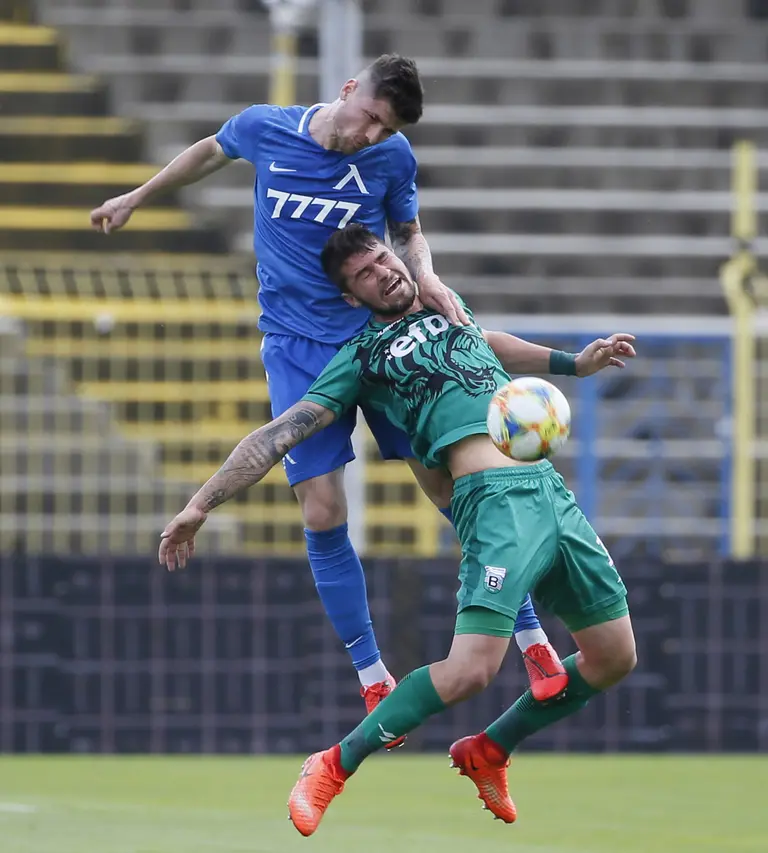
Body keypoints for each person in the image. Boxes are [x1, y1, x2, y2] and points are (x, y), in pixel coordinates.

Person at [92, 54, 565, 724]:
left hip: (382, 337)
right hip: (300, 348)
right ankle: (372, 676)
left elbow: (408, 232)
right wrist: (136, 196)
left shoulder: (391, 157)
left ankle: (531, 637)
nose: (372, 135)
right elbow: (208, 151)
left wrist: (426, 275)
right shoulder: (267, 128)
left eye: (386, 128)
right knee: (321, 511)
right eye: (370, 117)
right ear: (348, 89)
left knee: (451, 487)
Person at [158, 223, 638, 835]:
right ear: (351, 297)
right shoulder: (364, 356)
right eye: (363, 274)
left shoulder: (445, 303)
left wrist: (572, 362)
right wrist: (200, 504)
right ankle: (334, 762)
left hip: (550, 492)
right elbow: (282, 433)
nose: (382, 273)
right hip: (493, 503)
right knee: (470, 672)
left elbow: (487, 344)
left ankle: (490, 749)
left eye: (382, 259)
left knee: (614, 656)